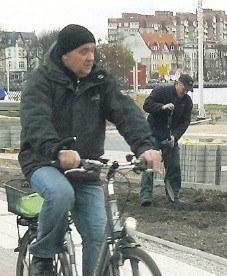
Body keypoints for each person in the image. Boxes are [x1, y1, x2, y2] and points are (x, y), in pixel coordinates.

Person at [18, 24, 162, 276]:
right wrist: (58, 149)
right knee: (62, 194)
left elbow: (125, 113)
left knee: (99, 233)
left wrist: (146, 146)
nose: (91, 58)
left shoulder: (100, 81)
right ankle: (43, 256)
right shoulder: (40, 81)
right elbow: (36, 120)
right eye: (84, 51)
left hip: (85, 167)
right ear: (65, 54)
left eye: (93, 51)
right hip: (44, 161)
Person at [139, 73, 193, 206]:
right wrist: (161, 107)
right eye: (183, 88)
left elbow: (185, 122)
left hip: (170, 138)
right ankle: (145, 197)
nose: (185, 91)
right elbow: (147, 105)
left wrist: (175, 136)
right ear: (177, 83)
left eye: (187, 90)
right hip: (153, 134)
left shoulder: (187, 102)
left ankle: (174, 195)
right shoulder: (161, 91)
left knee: (174, 167)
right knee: (149, 166)